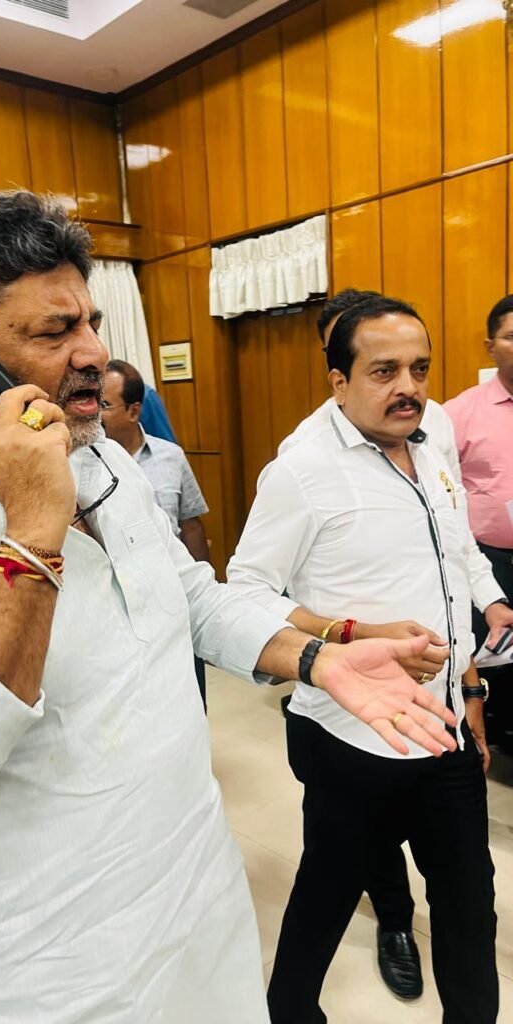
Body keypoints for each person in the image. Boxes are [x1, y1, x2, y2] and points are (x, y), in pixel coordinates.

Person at [0, 192, 455, 1024]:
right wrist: (32, 532)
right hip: (48, 953)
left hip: (194, 884)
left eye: (91, 322)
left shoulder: (104, 460)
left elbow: (190, 597)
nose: (94, 354)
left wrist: (317, 655)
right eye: (54, 331)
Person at [227, 295, 499, 1024]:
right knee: (324, 901)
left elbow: (454, 565)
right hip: (353, 739)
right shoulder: (303, 470)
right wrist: (350, 632)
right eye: (384, 371)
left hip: (441, 730)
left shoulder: (432, 446)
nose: (408, 387)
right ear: (338, 381)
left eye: (419, 369)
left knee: (471, 909)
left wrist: (471, 693)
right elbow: (244, 591)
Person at [102, 358, 210, 704]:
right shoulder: (85, 463)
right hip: (117, 608)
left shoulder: (170, 457)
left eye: (104, 404)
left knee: (189, 695)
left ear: (134, 411)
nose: (96, 413)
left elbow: (191, 524)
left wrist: (204, 591)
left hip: (172, 595)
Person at [445, 295, 513, 748]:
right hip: (489, 562)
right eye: (512, 336)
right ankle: (494, 736)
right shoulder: (458, 413)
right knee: (496, 657)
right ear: (490, 346)